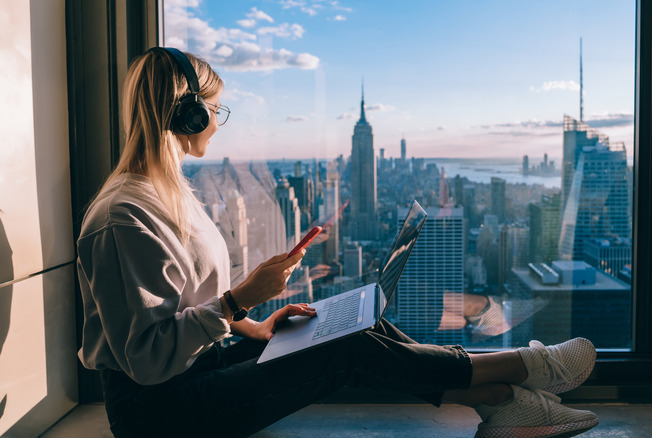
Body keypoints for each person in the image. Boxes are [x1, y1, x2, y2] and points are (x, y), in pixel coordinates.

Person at [76, 47, 600, 438]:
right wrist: (241, 300)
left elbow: (184, 309)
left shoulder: (169, 194)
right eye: (215, 109)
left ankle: (500, 400)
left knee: (348, 321)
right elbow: (145, 359)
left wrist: (255, 326)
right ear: (186, 114)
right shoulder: (123, 218)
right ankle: (526, 367)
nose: (217, 121)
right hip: (160, 413)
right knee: (345, 350)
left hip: (196, 370)